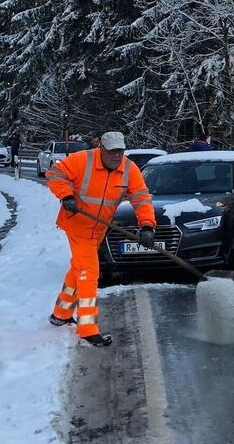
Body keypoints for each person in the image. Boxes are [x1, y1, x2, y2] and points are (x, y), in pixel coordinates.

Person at [45, 131, 156, 347]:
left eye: (120, 151)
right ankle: (87, 330)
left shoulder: (129, 169)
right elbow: (55, 173)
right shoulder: (83, 160)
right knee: (89, 272)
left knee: (78, 268)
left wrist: (147, 225)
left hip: (99, 229)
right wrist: (66, 195)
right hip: (77, 225)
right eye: (112, 151)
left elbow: (141, 197)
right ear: (101, 149)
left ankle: (61, 314)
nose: (117, 156)